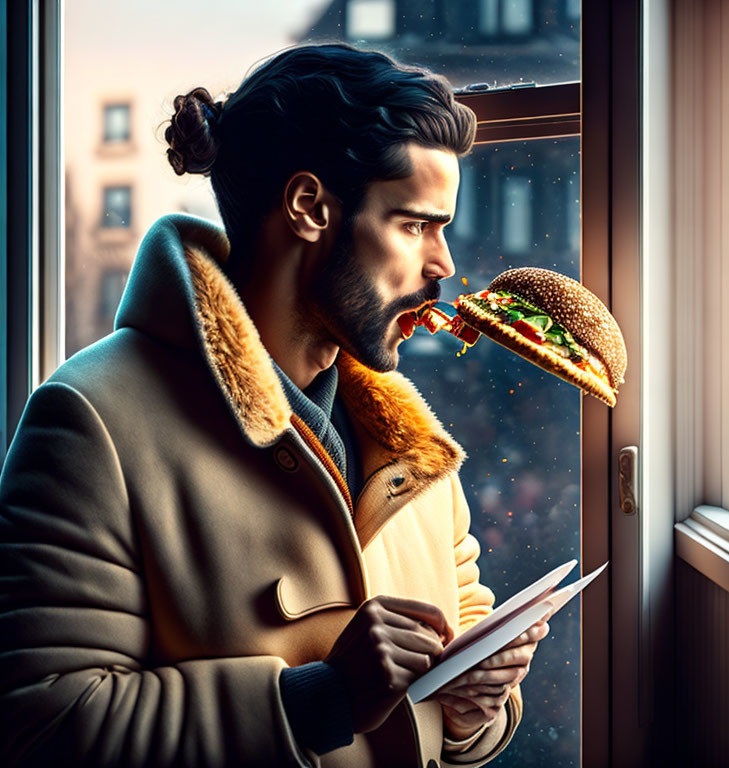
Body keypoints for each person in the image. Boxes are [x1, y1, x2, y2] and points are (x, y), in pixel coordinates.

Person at [0, 43, 549, 767]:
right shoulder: (88, 421)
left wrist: (478, 706)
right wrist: (319, 699)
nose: (443, 264)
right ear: (309, 208)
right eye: (416, 225)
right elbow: (39, 726)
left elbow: (462, 697)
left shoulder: (410, 437)